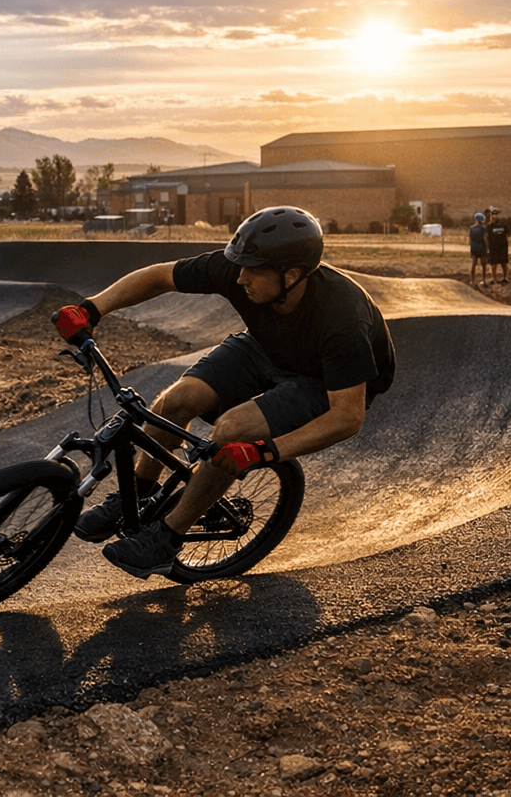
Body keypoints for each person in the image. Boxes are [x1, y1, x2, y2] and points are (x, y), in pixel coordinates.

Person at [50, 206, 395, 579]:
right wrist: (92, 309)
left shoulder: (343, 319)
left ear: (291, 275)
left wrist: (262, 452)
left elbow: (347, 417)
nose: (241, 277)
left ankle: (167, 538)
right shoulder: (240, 269)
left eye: (253, 270)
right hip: (265, 348)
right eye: (240, 266)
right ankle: (138, 493)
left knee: (233, 430)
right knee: (175, 400)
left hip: (320, 380)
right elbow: (159, 277)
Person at [486, 208, 510, 284]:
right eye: (494, 214)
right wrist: (488, 248)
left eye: (497, 214)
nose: (495, 216)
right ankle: (494, 278)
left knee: (504, 263)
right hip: (493, 247)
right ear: (491, 215)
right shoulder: (489, 226)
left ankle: (505, 277)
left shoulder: (503, 224)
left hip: (502, 247)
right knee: (493, 264)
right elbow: (486, 237)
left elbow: (507, 233)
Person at [468, 212, 489, 287]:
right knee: (483, 265)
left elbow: (470, 239)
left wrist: (471, 249)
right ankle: (484, 280)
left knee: (473, 264)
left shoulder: (472, 228)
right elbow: (485, 238)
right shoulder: (483, 228)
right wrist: (487, 248)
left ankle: (472, 281)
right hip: (481, 247)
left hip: (474, 247)